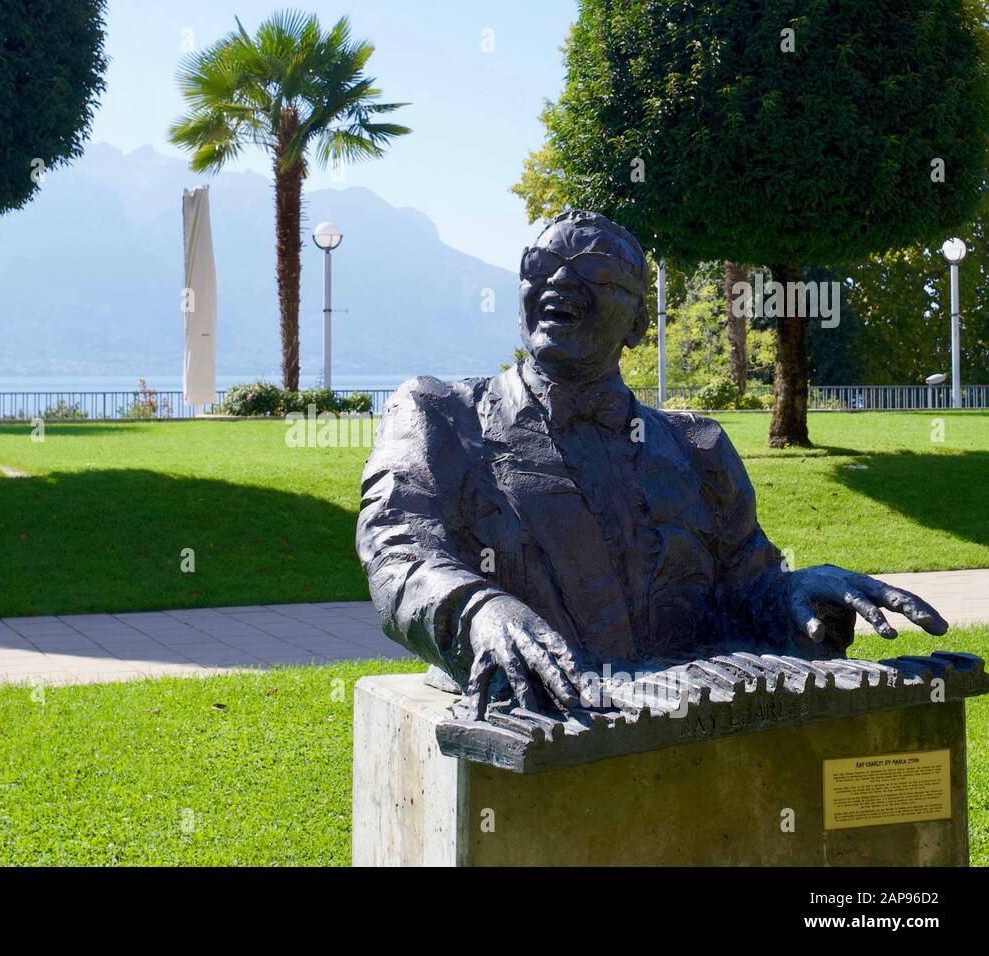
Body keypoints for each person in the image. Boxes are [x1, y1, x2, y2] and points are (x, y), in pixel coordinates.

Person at [356, 210, 947, 720]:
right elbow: (398, 550)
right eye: (541, 264)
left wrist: (796, 592)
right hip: (543, 710)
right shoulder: (441, 414)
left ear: (639, 324)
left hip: (684, 708)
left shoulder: (698, 447)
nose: (561, 280)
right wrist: (478, 610)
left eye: (598, 274)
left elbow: (743, 589)